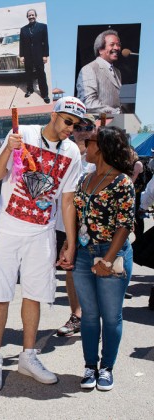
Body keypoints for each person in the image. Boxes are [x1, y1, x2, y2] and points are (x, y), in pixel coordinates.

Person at [0, 97, 84, 391]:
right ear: (54, 116)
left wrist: (71, 243)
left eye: (76, 126)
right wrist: (9, 150)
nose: (71, 129)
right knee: (0, 295)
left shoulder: (72, 152)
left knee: (34, 294)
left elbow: (67, 200)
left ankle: (28, 356)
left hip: (41, 233)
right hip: (6, 230)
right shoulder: (22, 133)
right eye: (68, 122)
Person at [67, 126, 135, 391]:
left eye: (90, 141)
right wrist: (69, 247)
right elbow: (76, 215)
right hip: (85, 254)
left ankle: (106, 368)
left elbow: (124, 225)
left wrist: (107, 261)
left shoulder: (122, 182)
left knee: (111, 315)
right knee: (90, 316)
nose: (85, 145)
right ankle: (89, 366)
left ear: (103, 147)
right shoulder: (85, 180)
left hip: (112, 254)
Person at [56, 115, 97, 337]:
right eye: (77, 126)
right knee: (71, 271)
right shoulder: (65, 152)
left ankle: (95, 318)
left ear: (94, 129)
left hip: (95, 227)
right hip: (68, 224)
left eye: (86, 127)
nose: (81, 130)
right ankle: (77, 315)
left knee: (97, 271)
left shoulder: (100, 156)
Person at [76, 30, 122, 115]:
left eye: (118, 44)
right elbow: (88, 103)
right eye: (112, 45)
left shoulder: (117, 72)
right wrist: (115, 112)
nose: (117, 48)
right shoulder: (89, 69)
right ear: (100, 50)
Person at [19, 9, 50, 103]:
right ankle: (30, 89)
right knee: (28, 73)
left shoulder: (43, 27)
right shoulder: (23, 29)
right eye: (29, 15)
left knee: (41, 73)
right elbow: (22, 44)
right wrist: (21, 55)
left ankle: (44, 94)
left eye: (32, 15)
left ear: (36, 16)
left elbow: (45, 42)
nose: (31, 17)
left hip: (39, 54)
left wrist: (45, 55)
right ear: (27, 17)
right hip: (28, 55)